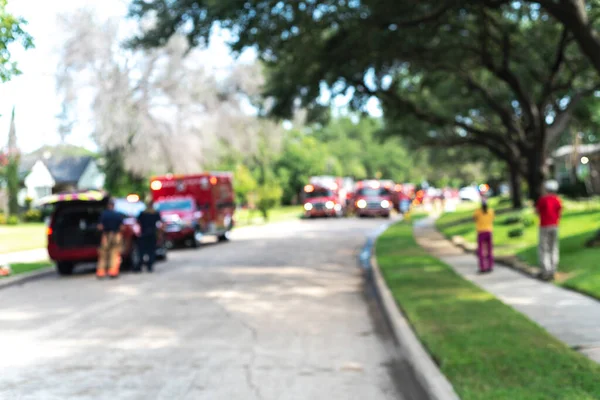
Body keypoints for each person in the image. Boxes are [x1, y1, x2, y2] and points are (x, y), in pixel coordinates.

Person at [536, 180, 563, 281]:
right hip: (555, 226)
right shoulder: (557, 199)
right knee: (554, 248)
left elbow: (537, 211)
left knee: (544, 248)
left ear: (547, 189)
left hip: (544, 226)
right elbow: (560, 211)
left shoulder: (543, 200)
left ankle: (546, 271)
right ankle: (553, 270)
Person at [97, 198, 125, 279]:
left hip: (106, 236)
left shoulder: (103, 214)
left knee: (103, 255)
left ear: (107, 205)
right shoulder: (118, 215)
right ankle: (113, 272)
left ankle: (101, 273)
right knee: (115, 254)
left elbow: (100, 227)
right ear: (113, 205)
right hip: (116, 236)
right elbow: (122, 227)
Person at [136, 200, 163, 273]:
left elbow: (138, 222)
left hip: (144, 233)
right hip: (152, 234)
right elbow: (159, 224)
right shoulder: (156, 213)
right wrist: (159, 234)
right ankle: (150, 266)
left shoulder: (142, 213)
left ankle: (140, 265)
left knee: (142, 251)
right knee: (151, 251)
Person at [473, 199, 495, 273]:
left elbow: (474, 219)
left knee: (481, 251)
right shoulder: (491, 211)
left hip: (481, 232)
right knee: (489, 249)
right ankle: (490, 265)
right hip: (489, 231)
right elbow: (492, 219)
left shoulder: (478, 212)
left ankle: (483, 267)